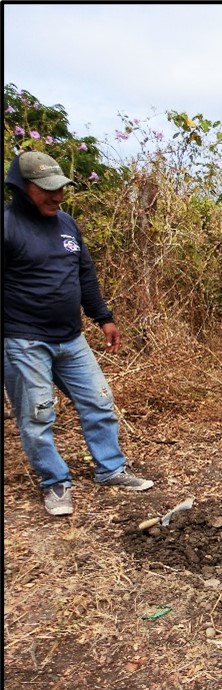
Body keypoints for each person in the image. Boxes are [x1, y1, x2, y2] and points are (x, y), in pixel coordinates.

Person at [3, 151, 154, 518]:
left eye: (61, 190)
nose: (57, 197)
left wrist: (103, 317)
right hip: (24, 340)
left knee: (99, 401)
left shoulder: (67, 224)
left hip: (70, 338)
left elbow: (84, 274)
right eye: (47, 190)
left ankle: (111, 469)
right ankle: (55, 481)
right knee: (38, 415)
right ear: (23, 188)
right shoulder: (7, 226)